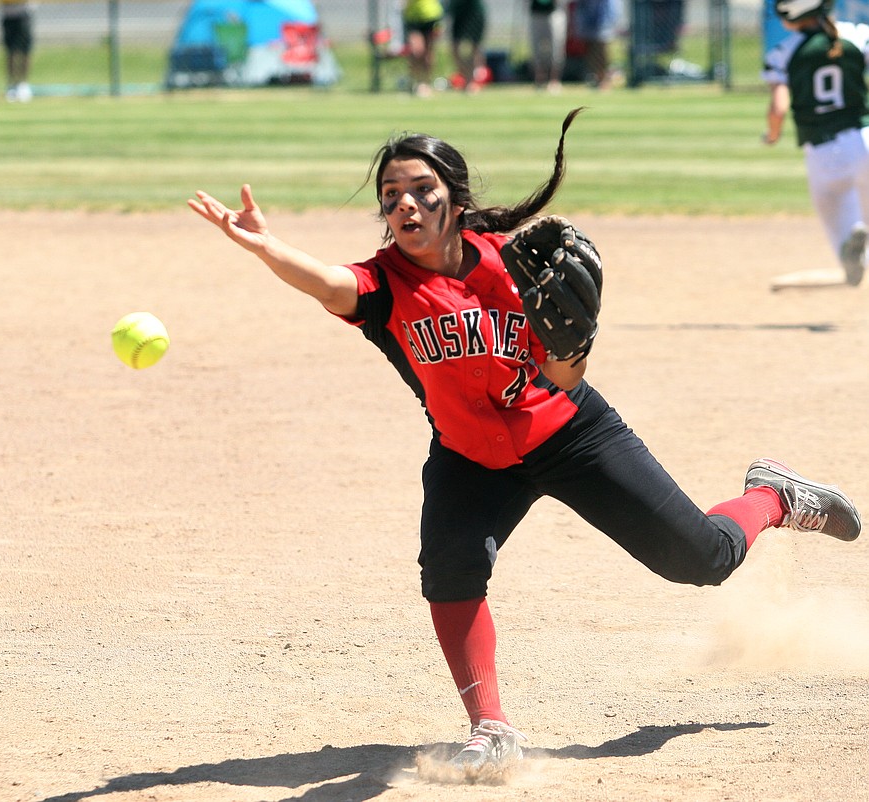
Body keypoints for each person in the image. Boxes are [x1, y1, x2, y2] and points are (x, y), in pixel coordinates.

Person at [188, 109, 861, 782]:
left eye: (420, 188)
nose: (404, 204)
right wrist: (264, 246)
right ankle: (491, 727)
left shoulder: (514, 267)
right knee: (449, 571)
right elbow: (327, 282)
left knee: (703, 560)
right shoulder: (385, 284)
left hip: (569, 432)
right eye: (390, 195)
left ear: (454, 196)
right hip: (470, 458)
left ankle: (773, 495)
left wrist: (576, 345)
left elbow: (564, 376)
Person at [763, 0, 869, 287]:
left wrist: (772, 135)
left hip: (824, 151)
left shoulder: (784, 52)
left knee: (838, 220)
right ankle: (860, 238)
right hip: (865, 138)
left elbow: (779, 110)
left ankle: (851, 247)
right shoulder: (854, 35)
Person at [573, 0, 621, 89]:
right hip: (587, 22)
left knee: (601, 52)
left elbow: (611, 8)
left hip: (603, 22)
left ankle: (604, 79)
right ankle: (596, 78)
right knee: (590, 52)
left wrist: (610, 21)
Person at [402, 0, 444, 97]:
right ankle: (417, 81)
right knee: (416, 51)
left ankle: (425, 83)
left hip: (431, 16)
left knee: (428, 54)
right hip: (413, 17)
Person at [447, 0, 487, 93]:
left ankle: (471, 81)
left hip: (474, 11)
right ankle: (465, 77)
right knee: (455, 49)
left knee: (475, 48)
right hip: (458, 11)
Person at [0, 0, 35, 102]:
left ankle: (23, 84)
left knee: (25, 52)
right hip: (8, 15)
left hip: (23, 14)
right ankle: (12, 85)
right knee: (11, 52)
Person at [529, 0, 566, 92]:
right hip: (536, 12)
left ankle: (554, 80)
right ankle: (539, 80)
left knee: (556, 48)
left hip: (554, 12)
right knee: (536, 49)